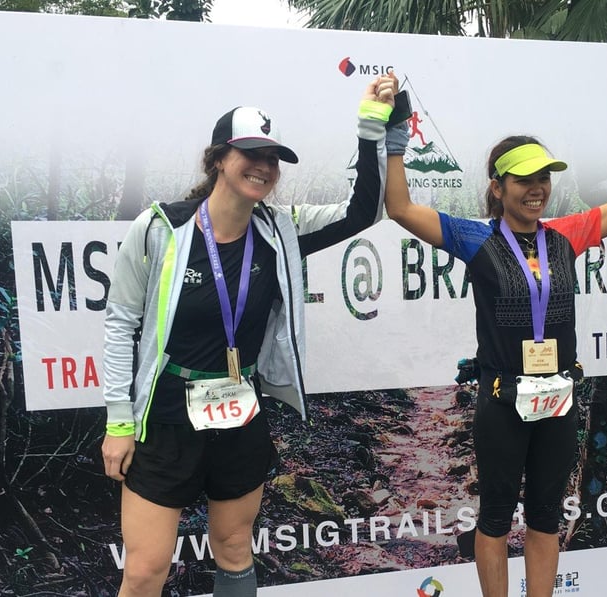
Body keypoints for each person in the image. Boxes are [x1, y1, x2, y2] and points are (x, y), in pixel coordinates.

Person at [100, 75, 398, 597]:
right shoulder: (158, 230)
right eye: (250, 153)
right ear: (219, 158)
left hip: (240, 411)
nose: (263, 167)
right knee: (146, 570)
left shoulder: (280, 231)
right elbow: (121, 322)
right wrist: (118, 422)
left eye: (273, 158)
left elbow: (364, 210)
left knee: (235, 552)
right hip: (166, 418)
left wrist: (371, 127)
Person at [383, 84, 607, 597]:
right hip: (503, 398)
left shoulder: (566, 236)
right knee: (496, 515)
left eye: (544, 177)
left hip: (557, 399)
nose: (537, 187)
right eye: (524, 178)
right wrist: (395, 136)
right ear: (498, 186)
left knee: (547, 515)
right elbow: (399, 207)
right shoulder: (475, 237)